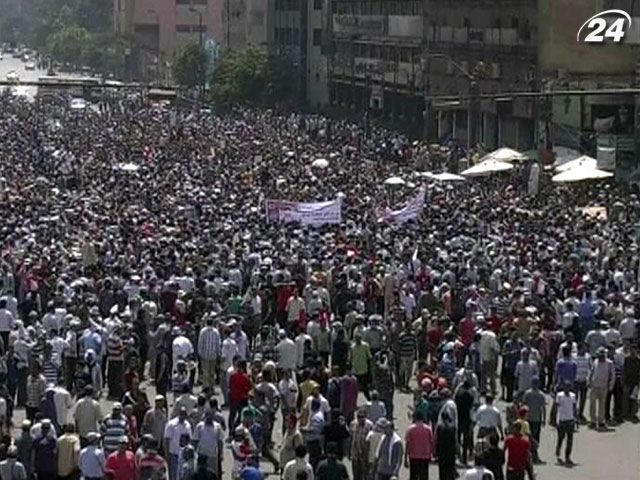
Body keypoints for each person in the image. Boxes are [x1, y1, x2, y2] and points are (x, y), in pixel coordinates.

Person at [588, 346, 614, 429]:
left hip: (604, 387)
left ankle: (601, 421)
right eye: (599, 355)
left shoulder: (609, 363)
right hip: (594, 386)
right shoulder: (595, 361)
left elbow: (612, 376)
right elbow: (591, 371)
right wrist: (588, 381)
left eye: (602, 355)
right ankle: (593, 421)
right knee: (592, 404)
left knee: (602, 405)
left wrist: (610, 386)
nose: (600, 357)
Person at [522, 378, 545, 463]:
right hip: (534, 419)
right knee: (534, 438)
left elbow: (523, 405)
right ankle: (532, 455)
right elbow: (543, 408)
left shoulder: (528, 393)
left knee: (530, 437)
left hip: (532, 418)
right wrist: (544, 419)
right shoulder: (540, 394)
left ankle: (531, 454)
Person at [404, 411, 433, 480]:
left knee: (413, 476)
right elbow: (431, 442)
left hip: (413, 456)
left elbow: (407, 444)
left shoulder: (410, 429)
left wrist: (405, 457)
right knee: (424, 476)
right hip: (425, 456)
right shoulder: (428, 429)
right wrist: (431, 454)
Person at [555, 382, 577, 466]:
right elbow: (556, 407)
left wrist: (576, 419)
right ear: (563, 387)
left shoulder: (573, 396)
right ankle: (558, 453)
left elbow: (574, 408)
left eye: (568, 387)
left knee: (570, 440)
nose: (567, 389)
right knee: (560, 439)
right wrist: (555, 420)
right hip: (562, 420)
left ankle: (567, 457)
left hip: (570, 420)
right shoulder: (559, 396)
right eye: (565, 387)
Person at [435, 410, 457, 480]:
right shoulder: (453, 429)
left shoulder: (439, 429)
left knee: (442, 472)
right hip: (451, 453)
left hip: (441, 453)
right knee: (450, 470)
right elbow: (455, 442)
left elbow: (437, 440)